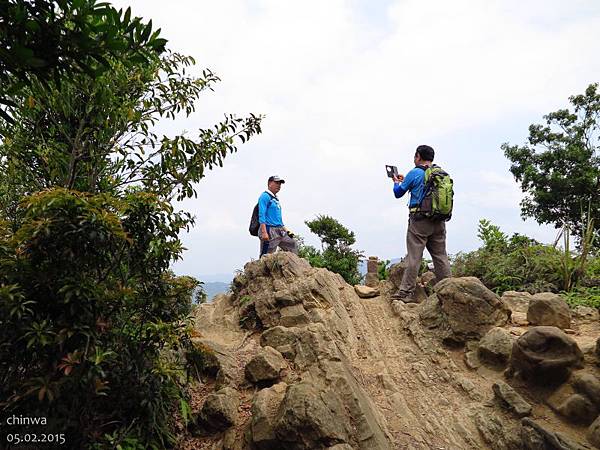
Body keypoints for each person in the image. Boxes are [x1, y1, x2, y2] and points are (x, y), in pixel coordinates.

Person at [390, 145, 452, 302]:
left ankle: (405, 292)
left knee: (414, 257)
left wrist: (396, 182)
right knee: (440, 257)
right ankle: (450, 293)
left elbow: (398, 193)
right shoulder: (440, 173)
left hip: (419, 221)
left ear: (418, 156)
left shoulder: (415, 173)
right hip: (439, 221)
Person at [258, 175, 298, 257]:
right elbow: (261, 215)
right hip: (269, 229)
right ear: (269, 183)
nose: (279, 185)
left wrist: (287, 231)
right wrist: (264, 232)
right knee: (267, 255)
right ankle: (262, 269)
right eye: (276, 183)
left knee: (292, 244)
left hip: (280, 229)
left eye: (280, 184)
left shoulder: (275, 199)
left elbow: (278, 219)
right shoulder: (265, 196)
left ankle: (292, 267)